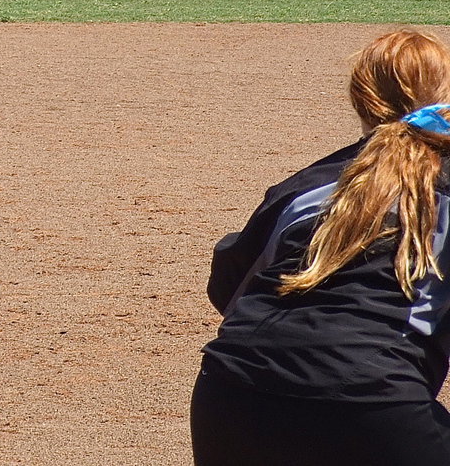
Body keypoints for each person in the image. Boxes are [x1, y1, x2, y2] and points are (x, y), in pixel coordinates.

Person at [191, 29, 450, 465]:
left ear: (359, 101)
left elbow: (229, 288)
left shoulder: (307, 186)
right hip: (373, 401)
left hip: (230, 394)